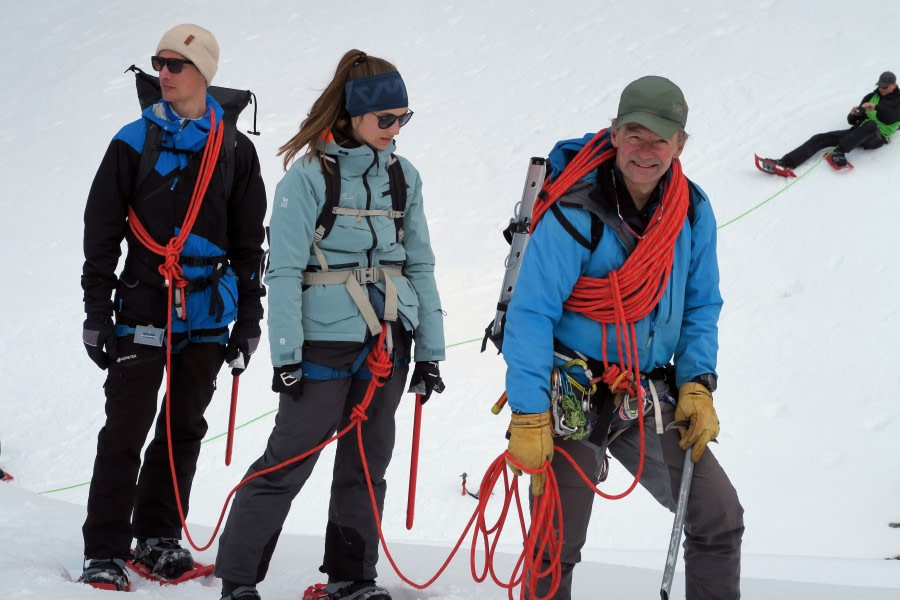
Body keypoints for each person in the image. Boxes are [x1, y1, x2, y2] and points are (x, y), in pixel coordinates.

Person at [213, 50, 446, 600]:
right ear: (354, 113)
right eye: (386, 118)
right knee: (289, 460)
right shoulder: (307, 177)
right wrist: (286, 356)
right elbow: (286, 270)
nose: (395, 129)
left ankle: (352, 578)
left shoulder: (404, 177)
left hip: (390, 336)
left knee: (367, 464)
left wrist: (431, 351)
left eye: (402, 118)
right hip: (323, 343)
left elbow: (422, 263)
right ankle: (238, 581)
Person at [502, 76, 744, 599]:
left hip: (649, 393)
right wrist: (528, 413)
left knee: (719, 516)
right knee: (555, 541)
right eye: (635, 134)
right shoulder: (576, 211)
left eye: (661, 139)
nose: (646, 150)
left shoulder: (692, 211)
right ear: (614, 134)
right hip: (573, 391)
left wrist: (697, 382)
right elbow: (531, 315)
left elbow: (703, 304)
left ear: (681, 143)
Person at [79, 24, 267, 591]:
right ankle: (104, 550)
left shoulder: (236, 149)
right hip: (141, 307)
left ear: (203, 73)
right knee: (125, 430)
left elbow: (246, 242)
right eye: (159, 62)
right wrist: (95, 312)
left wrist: (250, 319)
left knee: (182, 429)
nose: (163, 73)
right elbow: (101, 231)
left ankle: (157, 538)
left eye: (175, 64)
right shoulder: (132, 140)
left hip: (208, 314)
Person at [761, 70, 900, 171]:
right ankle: (786, 163)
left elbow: (893, 117)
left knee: (871, 124)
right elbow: (852, 121)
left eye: (885, 87)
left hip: (877, 137)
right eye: (879, 85)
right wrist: (853, 114)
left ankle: (839, 152)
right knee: (820, 138)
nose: (881, 88)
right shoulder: (871, 96)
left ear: (894, 85)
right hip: (857, 132)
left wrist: (876, 107)